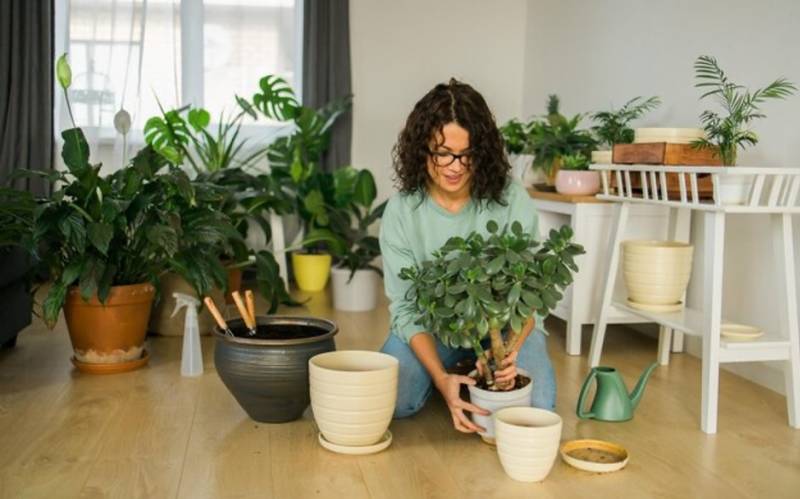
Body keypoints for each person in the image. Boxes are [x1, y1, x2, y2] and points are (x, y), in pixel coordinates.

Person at [379, 78, 556, 434]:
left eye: (467, 154)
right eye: (442, 153)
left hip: (504, 329)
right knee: (392, 401)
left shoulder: (511, 199)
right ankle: (451, 378)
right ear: (421, 150)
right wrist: (440, 377)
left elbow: (531, 296)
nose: (455, 166)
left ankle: (472, 376)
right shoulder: (401, 210)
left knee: (536, 408)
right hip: (433, 328)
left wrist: (507, 353)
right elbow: (405, 308)